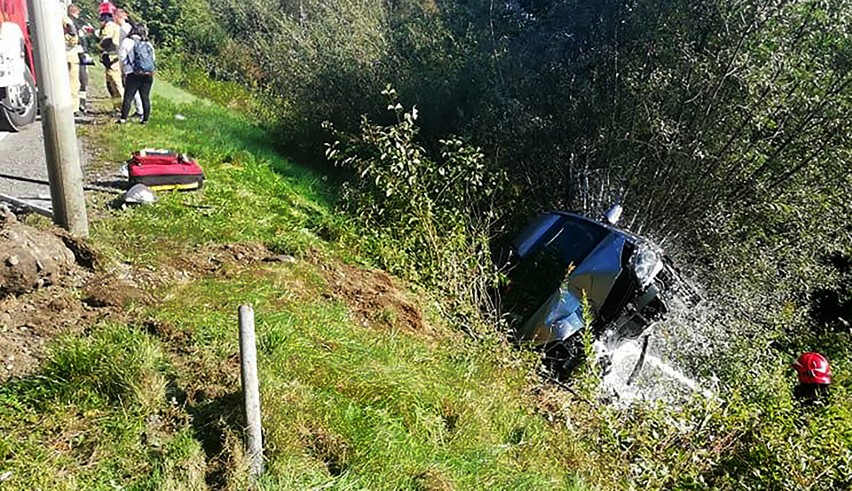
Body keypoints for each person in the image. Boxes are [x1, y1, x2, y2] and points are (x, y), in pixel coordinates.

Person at [117, 24, 155, 124]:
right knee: (145, 97)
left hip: (133, 73)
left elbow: (122, 58)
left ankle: (123, 119)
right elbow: (153, 58)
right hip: (148, 74)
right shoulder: (148, 43)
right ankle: (145, 119)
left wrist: (124, 71)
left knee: (128, 97)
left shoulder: (127, 42)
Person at [114, 8, 143, 119]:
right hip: (133, 62)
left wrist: (123, 66)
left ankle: (137, 111)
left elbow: (124, 47)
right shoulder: (127, 27)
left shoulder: (124, 29)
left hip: (129, 63)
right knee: (135, 89)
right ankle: (139, 110)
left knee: (131, 89)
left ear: (117, 17)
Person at [68, 3, 93, 113]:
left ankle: (80, 104)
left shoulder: (73, 21)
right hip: (79, 53)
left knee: (80, 80)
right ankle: (80, 105)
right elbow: (80, 38)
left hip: (79, 52)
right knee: (81, 80)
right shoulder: (75, 23)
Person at [98, 4, 123, 113]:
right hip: (111, 59)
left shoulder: (109, 25)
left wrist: (98, 47)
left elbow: (107, 40)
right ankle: (117, 107)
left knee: (115, 85)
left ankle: (122, 108)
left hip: (112, 59)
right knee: (111, 85)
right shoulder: (113, 25)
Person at [61, 1, 81, 115]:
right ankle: (74, 108)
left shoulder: (63, 19)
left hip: (66, 55)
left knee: (72, 82)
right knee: (73, 82)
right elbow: (74, 38)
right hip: (70, 55)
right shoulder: (66, 20)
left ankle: (72, 107)